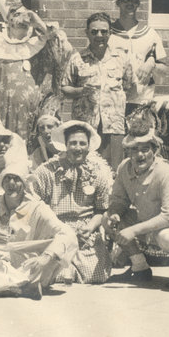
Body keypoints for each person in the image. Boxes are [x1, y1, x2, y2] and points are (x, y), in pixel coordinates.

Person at [0, 170, 77, 299]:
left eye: (16, 178)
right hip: (0, 262)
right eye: (7, 178)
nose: (11, 183)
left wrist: (45, 258)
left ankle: (8, 284)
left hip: (30, 265)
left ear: (25, 183)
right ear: (2, 183)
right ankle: (21, 287)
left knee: (59, 245)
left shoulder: (38, 207)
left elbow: (68, 234)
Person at [30, 120, 114, 284]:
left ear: (89, 146)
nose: (78, 148)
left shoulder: (98, 172)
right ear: (65, 145)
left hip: (85, 231)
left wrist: (89, 228)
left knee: (96, 275)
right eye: (73, 143)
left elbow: (101, 210)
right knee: (55, 273)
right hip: (55, 229)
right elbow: (34, 205)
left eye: (82, 143)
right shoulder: (47, 171)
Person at [108, 128, 169, 287]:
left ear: (155, 151)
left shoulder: (165, 172)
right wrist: (115, 212)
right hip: (147, 218)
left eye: (145, 149)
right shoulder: (124, 167)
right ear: (128, 152)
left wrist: (134, 230)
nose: (140, 155)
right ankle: (140, 268)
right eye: (134, 150)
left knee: (166, 237)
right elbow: (119, 199)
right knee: (107, 220)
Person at [62, 12, 134, 168]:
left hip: (113, 126)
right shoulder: (77, 58)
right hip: (86, 127)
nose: (99, 35)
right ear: (87, 33)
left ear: (110, 33)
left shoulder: (121, 58)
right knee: (85, 168)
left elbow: (129, 86)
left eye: (104, 31)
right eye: (94, 32)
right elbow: (65, 88)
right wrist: (81, 91)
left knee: (113, 169)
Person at [0, 3, 56, 143]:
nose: (23, 19)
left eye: (26, 15)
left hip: (34, 118)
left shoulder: (41, 48)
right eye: (17, 15)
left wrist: (36, 20)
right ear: (8, 21)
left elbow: (58, 45)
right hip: (3, 116)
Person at [108, 0, 167, 115]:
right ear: (118, 3)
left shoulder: (150, 34)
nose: (130, 4)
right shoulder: (108, 32)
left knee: (140, 134)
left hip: (142, 100)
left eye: (134, 1)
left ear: (138, 4)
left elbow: (163, 71)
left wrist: (151, 64)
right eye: (126, 0)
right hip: (112, 99)